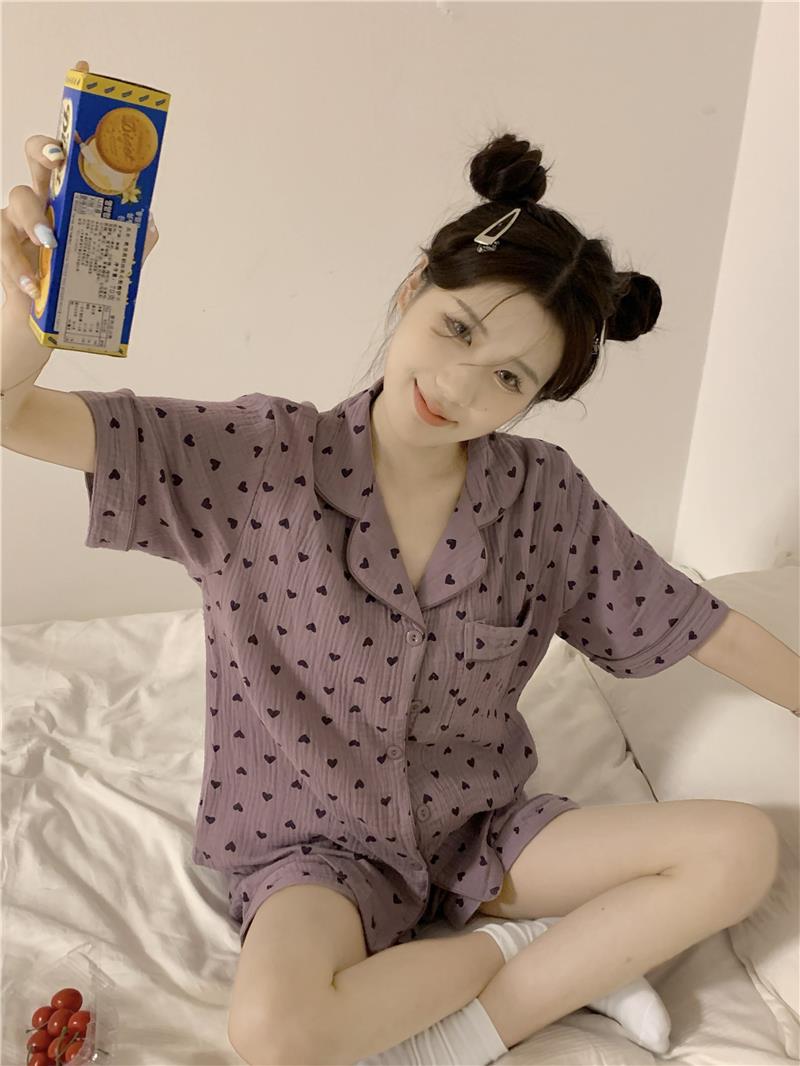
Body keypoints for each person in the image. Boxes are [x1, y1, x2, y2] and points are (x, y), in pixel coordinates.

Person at [5, 123, 775, 1066]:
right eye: (458, 329)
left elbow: (697, 621)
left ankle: (499, 1004)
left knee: (740, 847)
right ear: (415, 288)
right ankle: (527, 954)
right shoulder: (255, 458)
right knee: (277, 1034)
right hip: (310, 850)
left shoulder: (543, 497)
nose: (457, 386)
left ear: (534, 399)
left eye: (507, 377)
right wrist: (30, 312)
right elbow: (12, 414)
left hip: (479, 837)